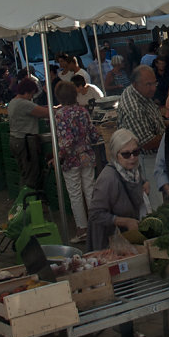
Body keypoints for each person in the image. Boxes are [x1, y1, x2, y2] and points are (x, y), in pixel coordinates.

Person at [87, 128, 150, 337]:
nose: (133, 157)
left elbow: (136, 185)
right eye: (126, 154)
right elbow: (95, 213)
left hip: (124, 242)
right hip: (107, 242)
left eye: (136, 152)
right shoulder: (108, 179)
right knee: (122, 288)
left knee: (127, 286)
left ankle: (127, 330)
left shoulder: (133, 170)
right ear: (115, 155)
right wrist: (122, 221)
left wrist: (143, 185)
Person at [54, 80, 99, 244]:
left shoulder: (60, 115)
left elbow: (66, 141)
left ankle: (82, 229)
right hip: (87, 156)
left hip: (71, 159)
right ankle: (97, 224)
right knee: (90, 189)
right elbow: (94, 134)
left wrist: (58, 156)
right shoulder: (83, 111)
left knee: (75, 194)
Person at [116, 65, 166, 209]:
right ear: (135, 84)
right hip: (145, 159)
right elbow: (147, 142)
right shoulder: (134, 108)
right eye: (148, 84)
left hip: (154, 156)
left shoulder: (142, 94)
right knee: (156, 203)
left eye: (154, 83)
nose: (153, 88)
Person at [8, 77, 49, 191]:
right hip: (24, 141)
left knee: (25, 172)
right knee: (31, 174)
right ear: (27, 92)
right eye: (31, 94)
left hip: (15, 139)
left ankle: (25, 200)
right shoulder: (23, 104)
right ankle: (28, 201)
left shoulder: (13, 101)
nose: (32, 97)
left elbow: (39, 108)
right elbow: (45, 113)